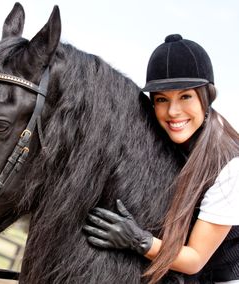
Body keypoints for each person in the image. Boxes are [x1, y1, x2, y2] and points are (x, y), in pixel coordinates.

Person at [83, 34, 239, 283]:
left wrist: (138, 240)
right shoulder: (164, 135)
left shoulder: (231, 166)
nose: (173, 112)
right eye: (162, 99)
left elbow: (195, 259)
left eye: (185, 96)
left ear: (206, 96)